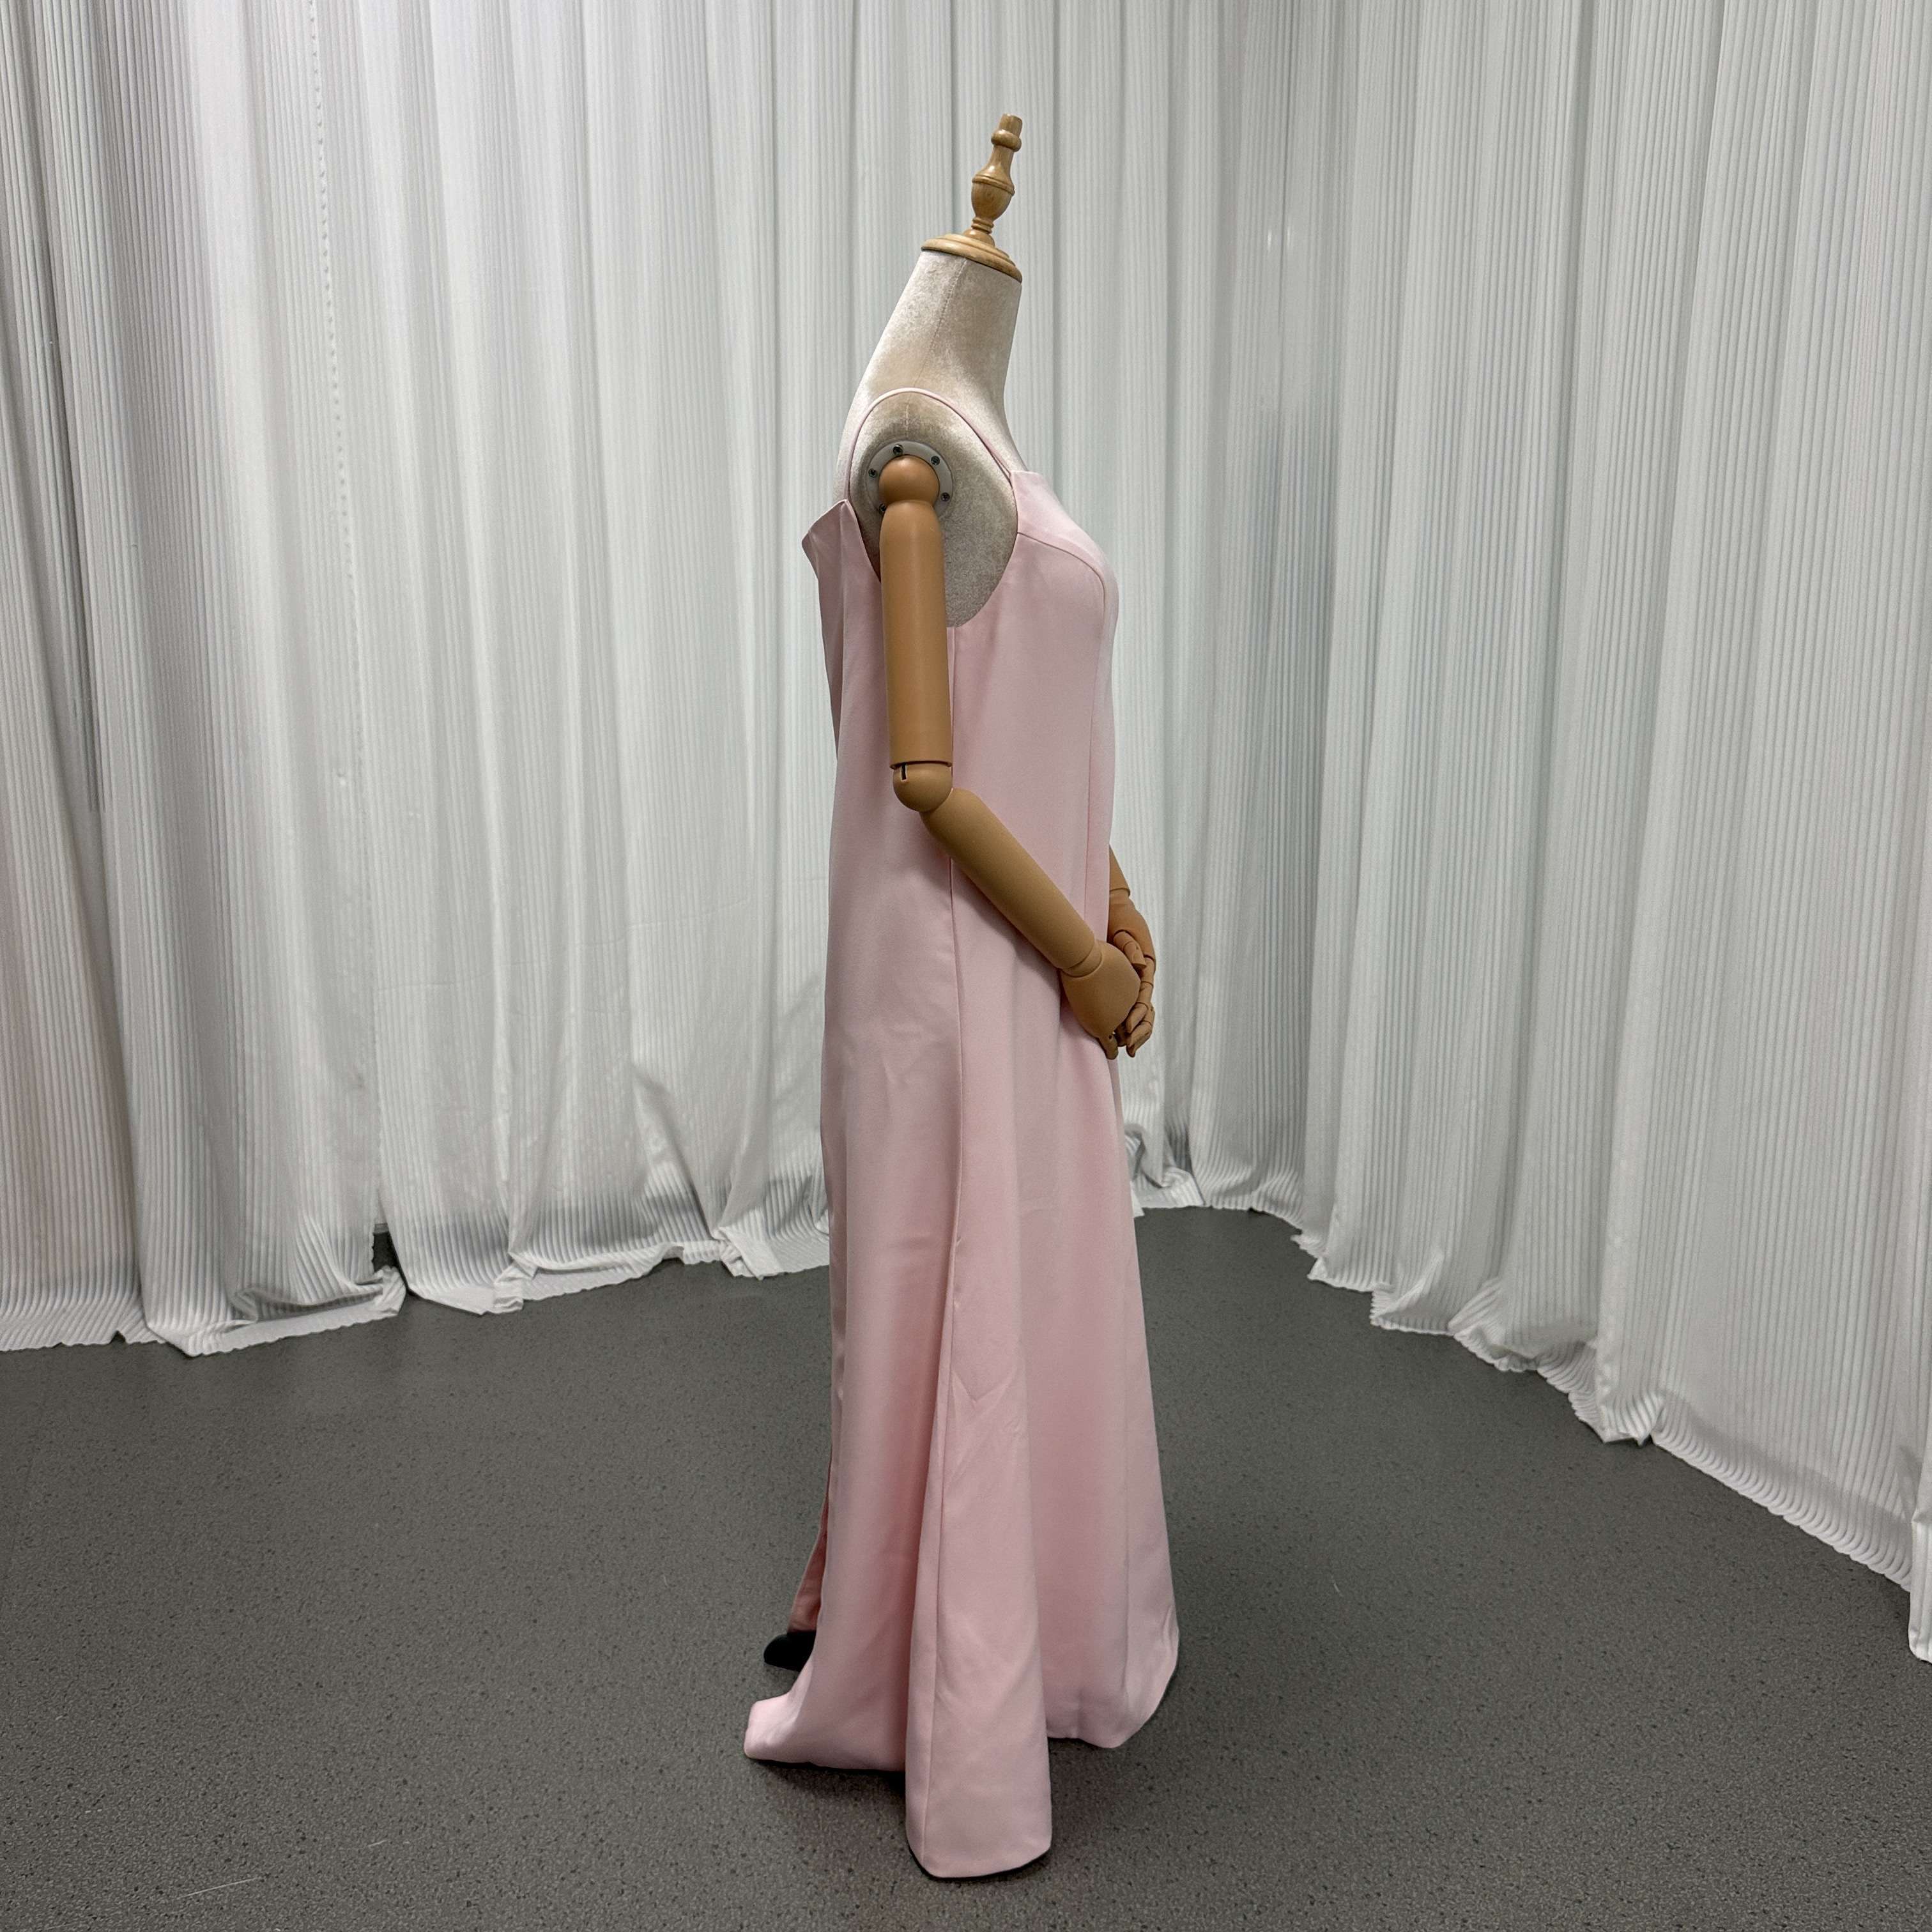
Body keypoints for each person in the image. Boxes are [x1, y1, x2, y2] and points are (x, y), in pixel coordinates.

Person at [743, 114, 1179, 1880]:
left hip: (1017, 940)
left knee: (1019, 1283)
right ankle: (947, 1693)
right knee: (965, 1289)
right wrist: (1078, 952)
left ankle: (993, 1617)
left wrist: (1113, 901)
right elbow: (928, 775)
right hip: (956, 959)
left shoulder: (968, 426)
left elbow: (1031, 726)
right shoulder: (914, 449)